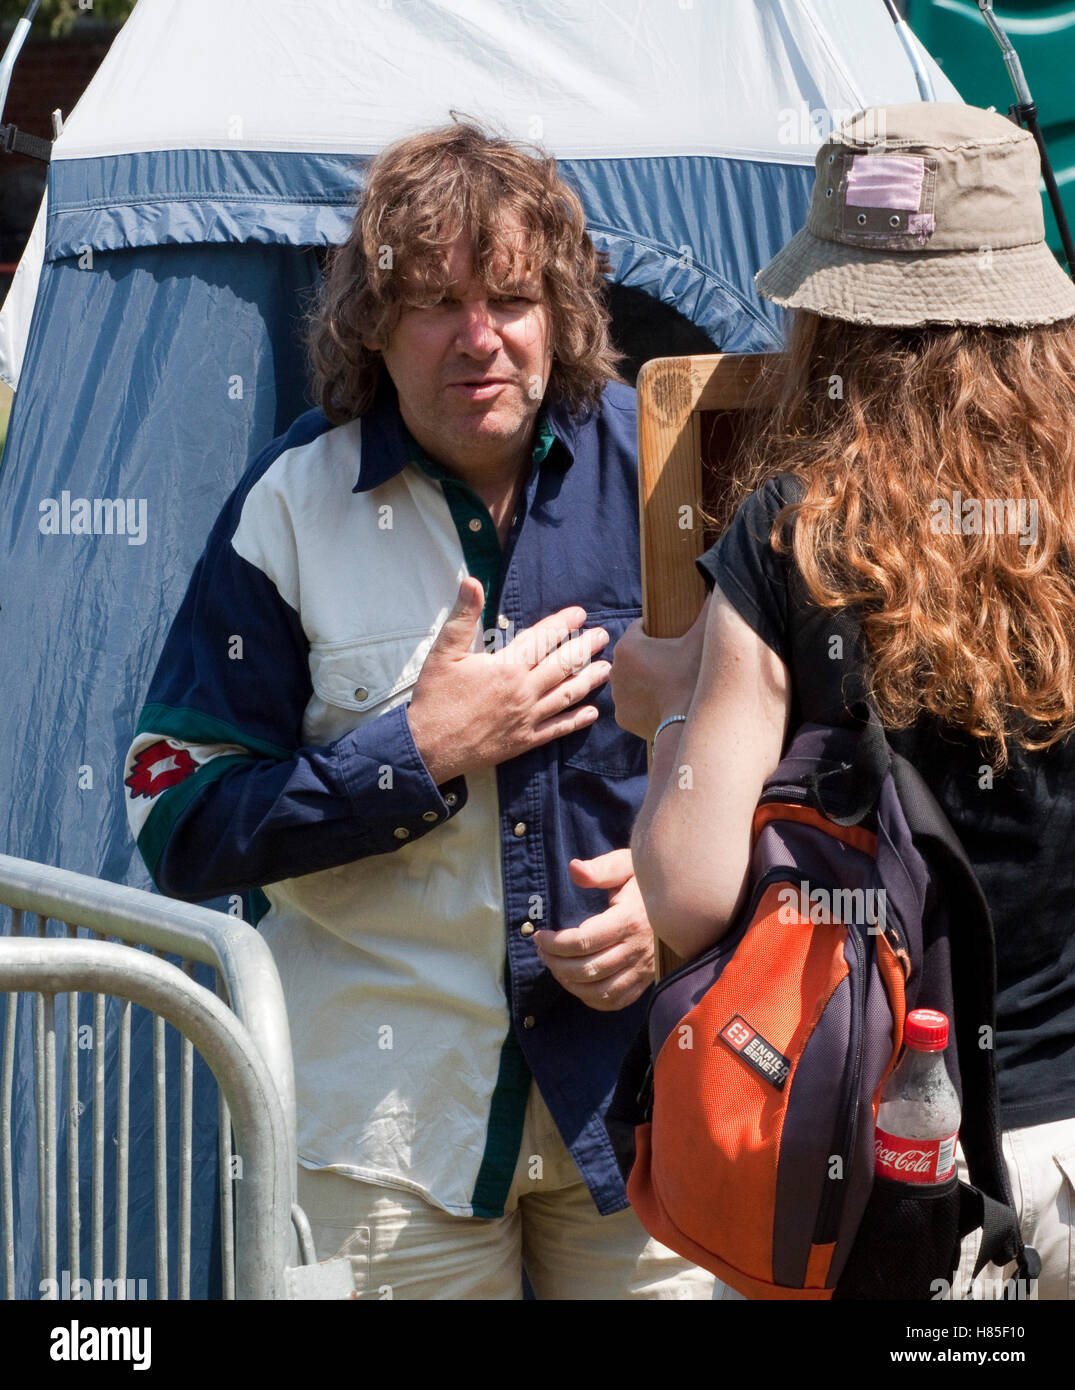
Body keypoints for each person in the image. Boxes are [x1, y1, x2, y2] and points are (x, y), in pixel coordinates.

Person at [122, 120, 714, 1300]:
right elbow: (176, 817)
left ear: (562, 313)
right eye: (434, 301)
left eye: (511, 296)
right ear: (371, 325)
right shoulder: (289, 508)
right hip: (387, 1143)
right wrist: (414, 753)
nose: (479, 337)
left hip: (646, 1109)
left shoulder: (668, 480)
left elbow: (787, 759)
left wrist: (677, 910)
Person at [612, 102, 1075, 1300]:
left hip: (890, 1165)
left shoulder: (790, 531)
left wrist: (667, 709)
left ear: (830, 314)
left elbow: (687, 889)